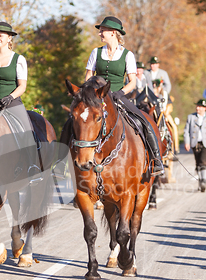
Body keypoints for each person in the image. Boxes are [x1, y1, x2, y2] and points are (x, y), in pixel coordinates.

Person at [54, 16, 164, 178]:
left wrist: (119, 93)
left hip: (119, 97)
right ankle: (60, 164)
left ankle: (156, 160)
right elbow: (88, 76)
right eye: (100, 31)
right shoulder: (96, 52)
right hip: (96, 99)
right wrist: (88, 95)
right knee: (71, 122)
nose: (100, 33)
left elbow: (133, 82)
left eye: (102, 31)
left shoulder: (127, 55)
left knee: (145, 122)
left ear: (113, 33)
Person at [0, 21, 42, 183]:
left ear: (9, 39)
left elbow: (22, 86)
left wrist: (10, 97)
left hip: (11, 101)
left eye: (0, 36)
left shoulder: (19, 59)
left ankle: (33, 166)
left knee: (26, 128)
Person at [183, 99, 206, 192]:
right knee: (198, 163)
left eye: (199, 106)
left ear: (204, 108)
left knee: (203, 162)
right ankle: (200, 180)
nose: (197, 108)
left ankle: (203, 181)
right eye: (197, 106)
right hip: (195, 143)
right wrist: (187, 142)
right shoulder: (191, 117)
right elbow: (186, 131)